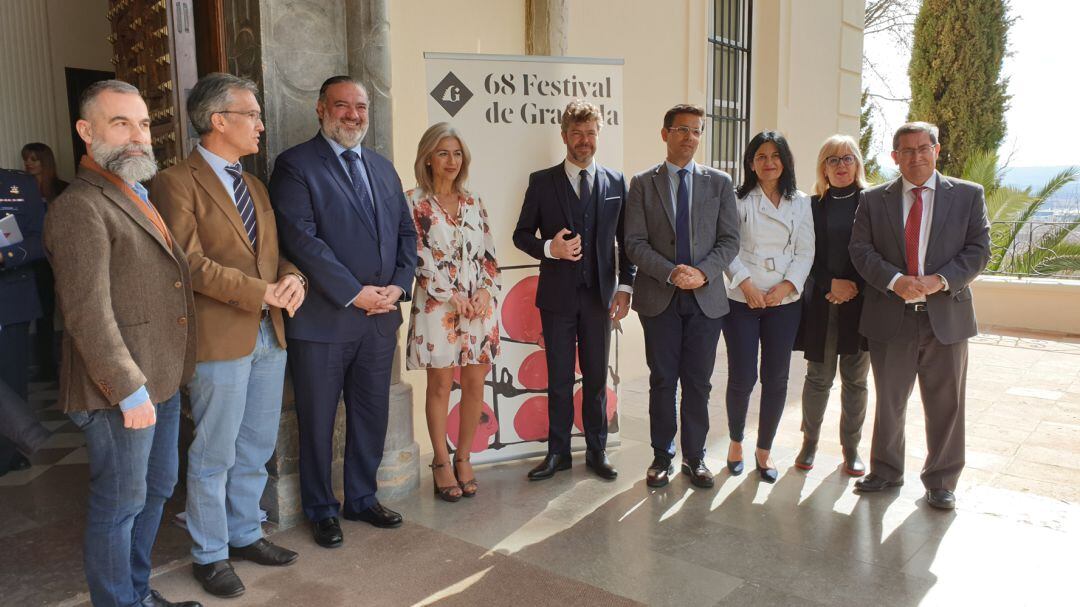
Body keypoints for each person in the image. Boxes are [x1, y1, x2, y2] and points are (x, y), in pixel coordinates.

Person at [44, 79, 200, 607]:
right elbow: (86, 312)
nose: (137, 137)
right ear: (86, 132)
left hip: (162, 379)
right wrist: (128, 390)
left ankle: (136, 593)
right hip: (120, 391)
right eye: (120, 123)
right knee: (118, 504)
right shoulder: (78, 207)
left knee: (154, 491)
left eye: (143, 124)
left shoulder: (134, 191)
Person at [151, 73, 306, 598]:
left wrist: (292, 278)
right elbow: (188, 264)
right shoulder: (174, 182)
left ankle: (244, 533)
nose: (262, 125)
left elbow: (273, 252)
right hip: (220, 335)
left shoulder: (254, 184)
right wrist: (261, 292)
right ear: (219, 121)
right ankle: (210, 552)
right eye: (253, 114)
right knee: (214, 450)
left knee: (257, 444)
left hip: (269, 333)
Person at [270, 75, 417, 548]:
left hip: (379, 320)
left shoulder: (383, 167)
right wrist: (355, 293)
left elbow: (406, 236)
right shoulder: (295, 166)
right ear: (320, 109)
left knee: (371, 413)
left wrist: (397, 286)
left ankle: (361, 497)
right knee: (316, 419)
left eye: (360, 107)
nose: (353, 115)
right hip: (324, 321)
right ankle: (320, 508)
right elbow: (302, 241)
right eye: (342, 106)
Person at [849, 121, 990, 510]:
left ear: (936, 150)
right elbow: (860, 251)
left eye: (923, 148)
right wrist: (895, 281)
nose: (916, 157)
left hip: (945, 317)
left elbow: (978, 250)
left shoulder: (967, 195)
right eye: (907, 151)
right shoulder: (874, 199)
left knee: (946, 402)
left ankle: (942, 481)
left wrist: (940, 280)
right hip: (890, 317)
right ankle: (886, 470)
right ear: (894, 157)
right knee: (890, 400)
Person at [512, 100, 636, 481]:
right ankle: (558, 453)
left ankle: (597, 451)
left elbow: (626, 242)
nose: (584, 141)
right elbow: (520, 235)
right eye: (576, 133)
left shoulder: (616, 183)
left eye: (590, 133)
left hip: (599, 297)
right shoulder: (541, 181)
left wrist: (625, 287)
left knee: (597, 377)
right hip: (558, 298)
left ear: (598, 136)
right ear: (564, 136)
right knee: (560, 378)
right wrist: (551, 248)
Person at [623, 104, 740, 488]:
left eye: (696, 131)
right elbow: (634, 242)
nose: (690, 137)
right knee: (662, 380)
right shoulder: (642, 183)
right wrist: (672, 272)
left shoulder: (719, 183)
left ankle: (695, 457)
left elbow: (729, 240)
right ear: (665, 134)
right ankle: (661, 457)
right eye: (682, 130)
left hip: (706, 299)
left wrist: (702, 272)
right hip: (660, 297)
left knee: (699, 382)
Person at [405, 122, 500, 501]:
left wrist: (485, 293)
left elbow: (490, 254)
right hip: (437, 308)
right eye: (443, 153)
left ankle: (464, 458)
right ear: (428, 157)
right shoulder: (412, 202)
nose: (451, 161)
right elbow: (415, 256)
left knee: (476, 383)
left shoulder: (474, 202)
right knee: (441, 385)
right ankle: (441, 462)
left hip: (478, 310)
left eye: (457, 153)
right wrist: (452, 296)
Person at [723, 131, 814, 484]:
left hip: (783, 301)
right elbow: (727, 246)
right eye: (761, 156)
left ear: (786, 161)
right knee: (743, 376)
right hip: (742, 299)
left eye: (775, 155)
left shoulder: (801, 202)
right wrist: (745, 284)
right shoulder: (738, 199)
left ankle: (764, 449)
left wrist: (787, 286)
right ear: (751, 163)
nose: (769, 162)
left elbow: (806, 251)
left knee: (777, 379)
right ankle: (735, 442)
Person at [792, 135, 871, 476]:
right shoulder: (811, 206)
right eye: (833, 160)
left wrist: (853, 287)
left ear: (858, 164)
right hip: (822, 303)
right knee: (818, 379)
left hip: (862, 303)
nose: (841, 165)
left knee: (856, 381)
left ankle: (851, 448)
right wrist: (831, 284)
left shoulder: (874, 202)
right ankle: (809, 442)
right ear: (823, 167)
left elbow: (881, 251)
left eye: (847, 158)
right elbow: (803, 254)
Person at [0, 167, 46, 475]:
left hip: (9, 301)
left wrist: (6, 256)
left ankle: (7, 455)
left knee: (12, 380)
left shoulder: (19, 185)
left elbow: (41, 239)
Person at [21, 143, 68, 383]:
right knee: (41, 314)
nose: (29, 163)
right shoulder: (19, 191)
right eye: (26, 159)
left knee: (68, 311)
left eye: (34, 159)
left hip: (61, 261)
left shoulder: (63, 189)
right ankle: (47, 367)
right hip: (34, 262)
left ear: (45, 162)